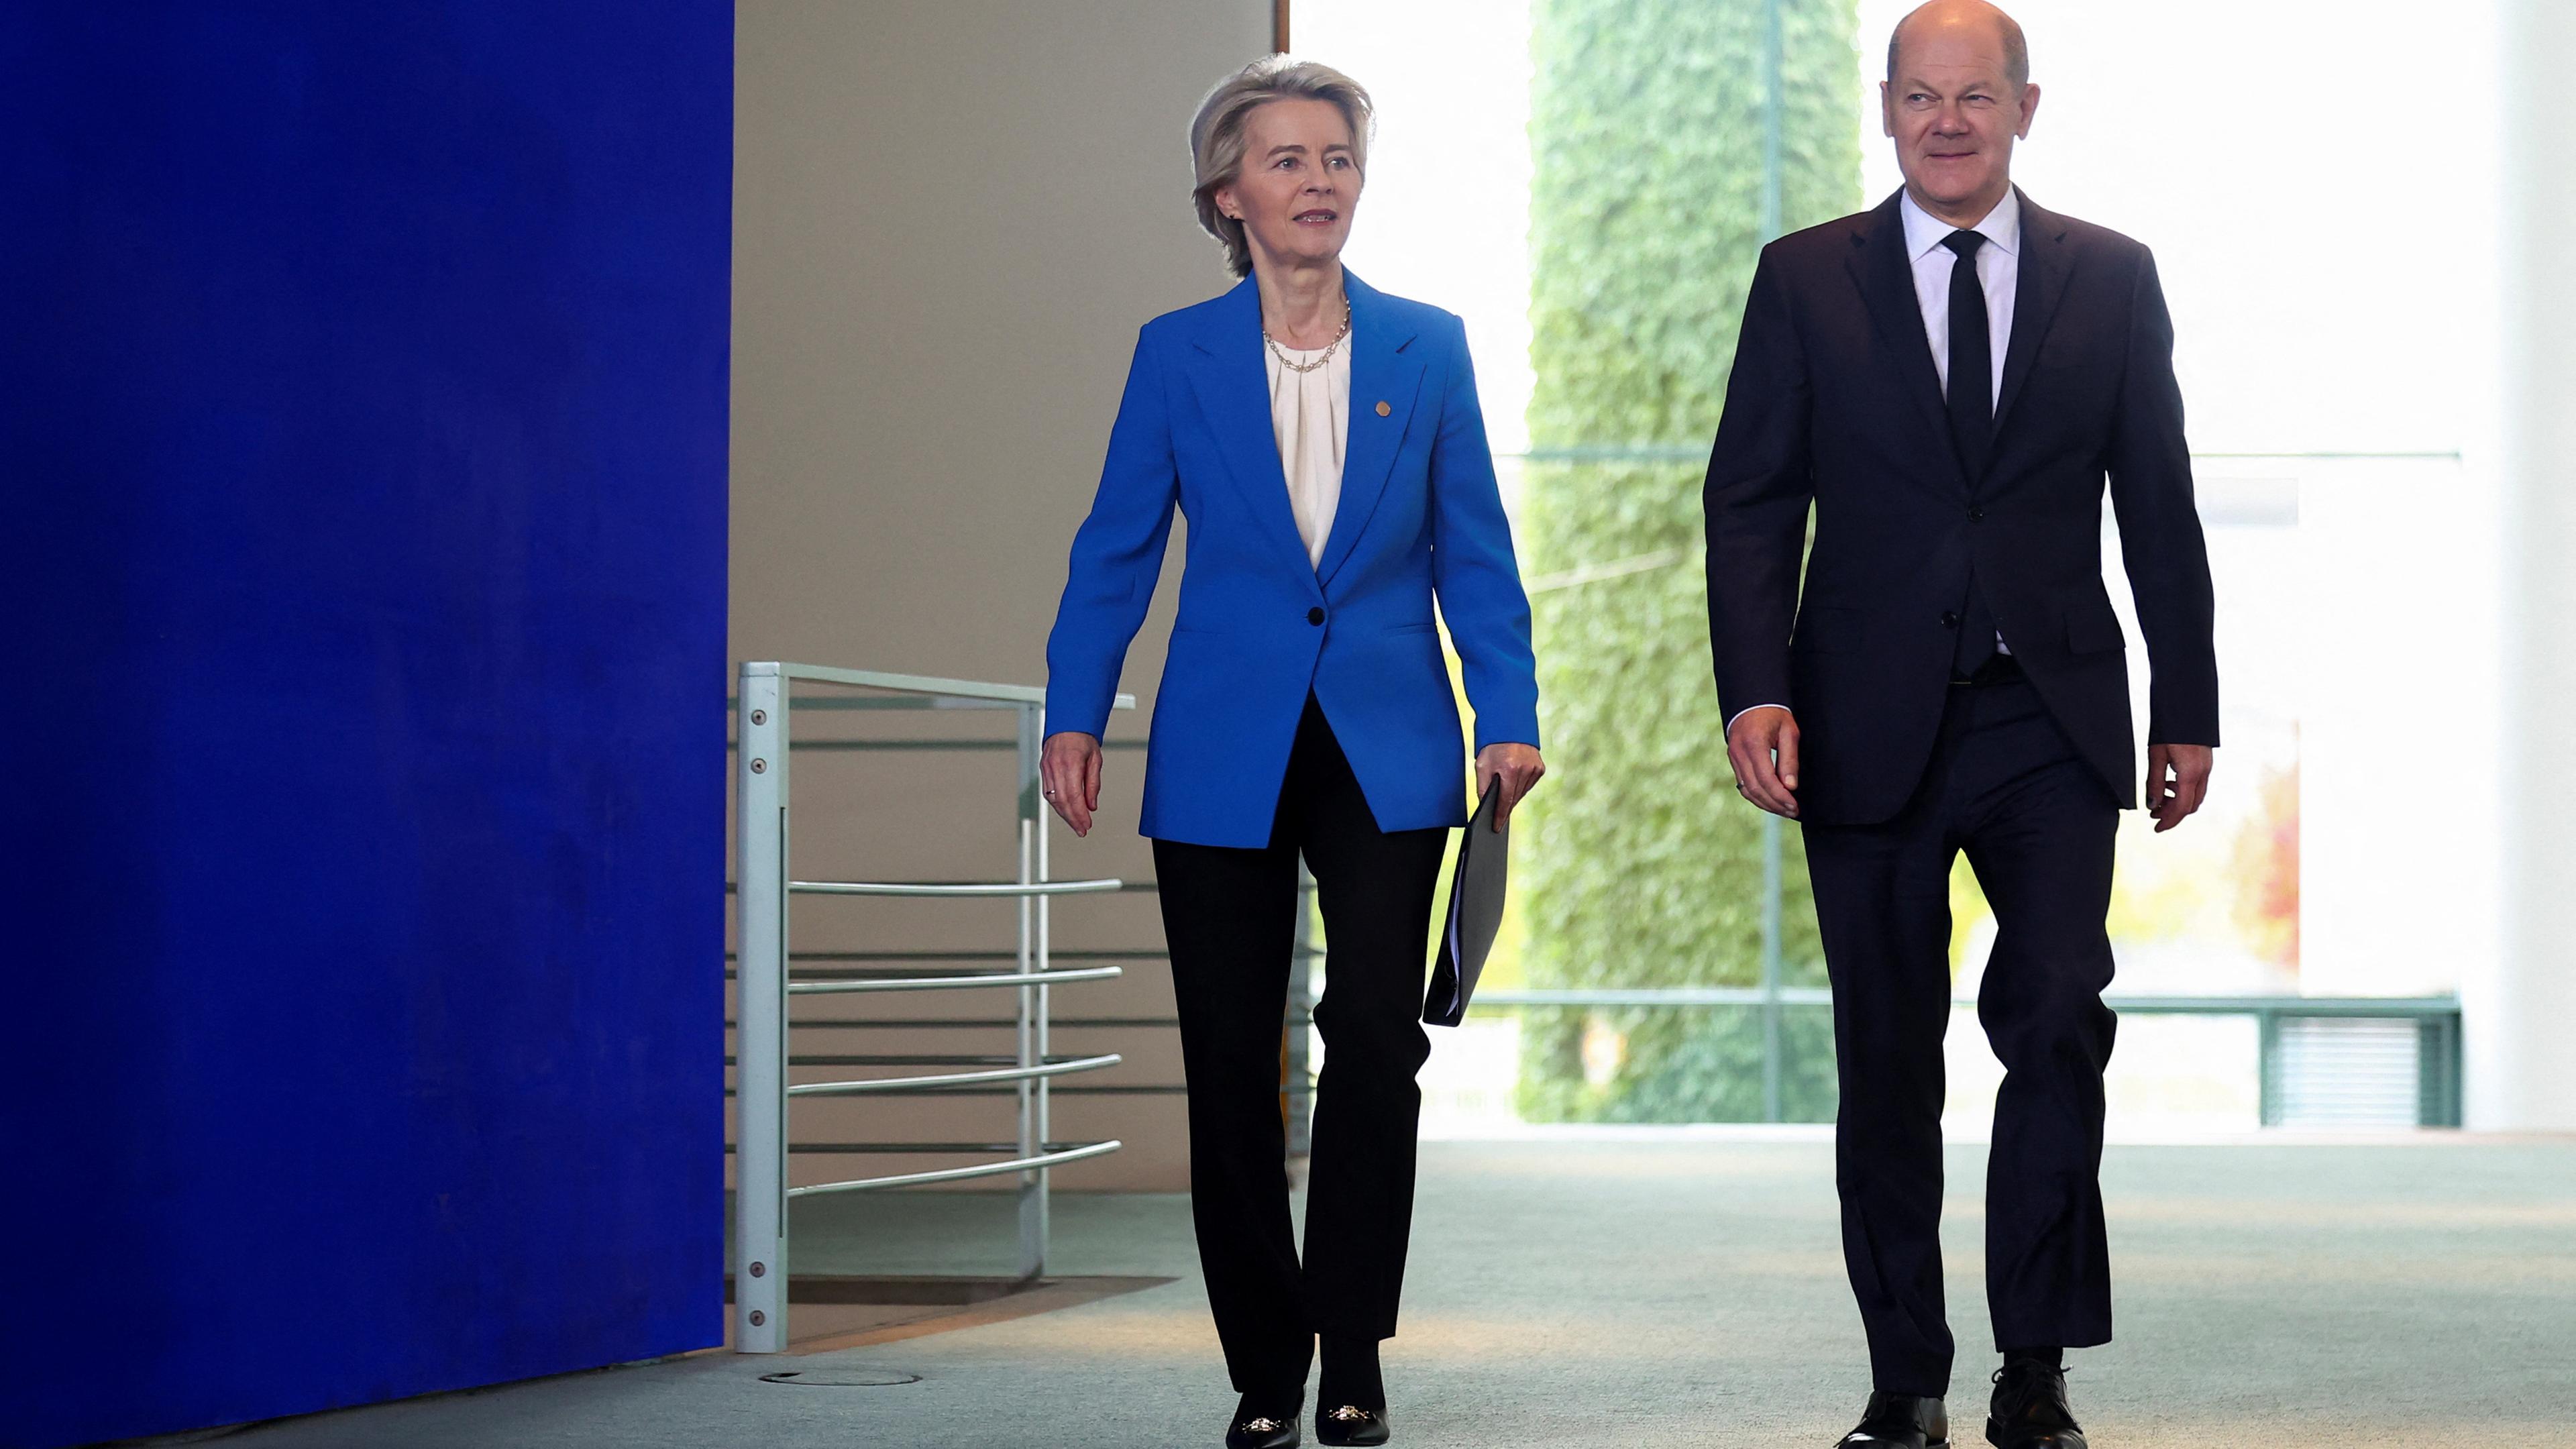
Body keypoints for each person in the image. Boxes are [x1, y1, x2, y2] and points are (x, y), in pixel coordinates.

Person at [1701, 3, 2218, 1446]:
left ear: (2025, 109)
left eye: (1974, 97)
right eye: (1920, 96)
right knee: (1887, 1050)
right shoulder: (1804, 279)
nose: (1946, 121)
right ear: (1886, 108)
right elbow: (1751, 499)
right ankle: (1905, 1376)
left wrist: (2189, 702)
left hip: (2049, 722)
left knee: (2057, 1019)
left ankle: (2034, 1370)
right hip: (1863, 720)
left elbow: (2160, 505)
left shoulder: (2112, 279)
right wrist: (1757, 685)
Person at [1040, 56, 1544, 1449]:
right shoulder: (1173, 353)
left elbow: (1477, 554)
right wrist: (1072, 709)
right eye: (1286, 160)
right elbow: (1115, 548)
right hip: (1220, 743)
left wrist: (1508, 713)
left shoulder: (1426, 347)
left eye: (1336, 158)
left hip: (1389, 744)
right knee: (1229, 1062)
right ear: (1228, 193)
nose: (1316, 181)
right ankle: (1265, 1367)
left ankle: (1354, 1350)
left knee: (1377, 1044)